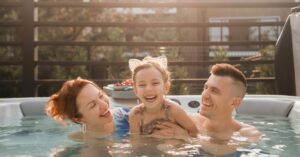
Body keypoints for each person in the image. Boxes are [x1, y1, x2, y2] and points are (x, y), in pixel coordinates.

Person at [154, 63, 262, 155]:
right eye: (205, 87)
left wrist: (187, 137)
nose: (205, 95)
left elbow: (222, 151)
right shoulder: (188, 121)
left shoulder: (247, 133)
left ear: (235, 102)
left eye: (214, 91)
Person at [128, 55, 198, 136]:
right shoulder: (135, 115)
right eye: (142, 85)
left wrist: (182, 134)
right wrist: (152, 137)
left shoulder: (173, 110)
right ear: (135, 90)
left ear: (166, 87)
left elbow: (195, 133)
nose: (148, 89)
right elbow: (135, 143)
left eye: (155, 83)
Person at [45, 78, 130, 142]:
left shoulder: (129, 117)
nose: (104, 105)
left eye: (100, 96)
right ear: (79, 119)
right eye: (93, 105)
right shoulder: (79, 141)